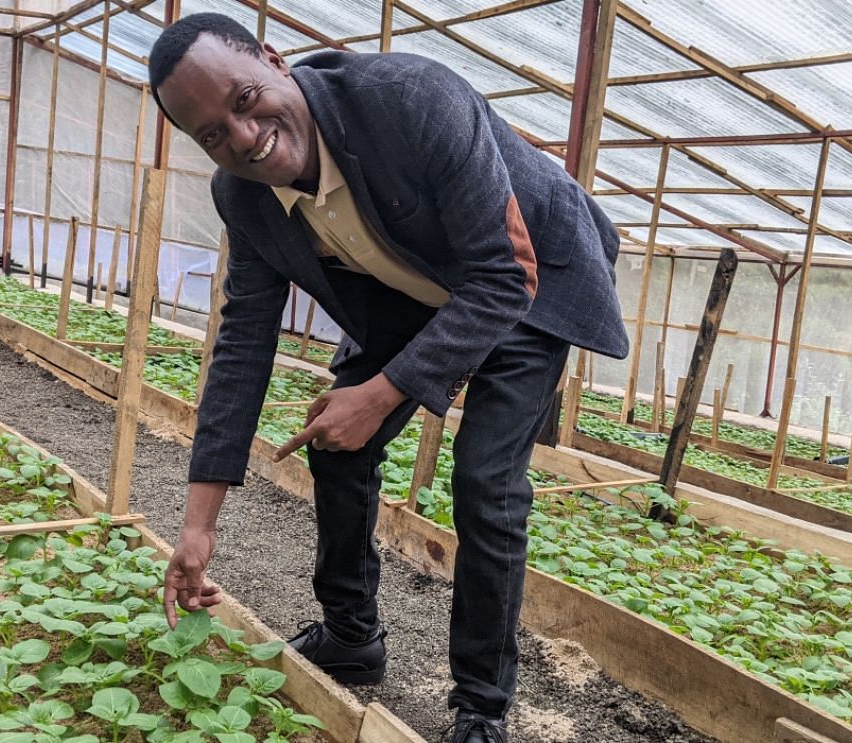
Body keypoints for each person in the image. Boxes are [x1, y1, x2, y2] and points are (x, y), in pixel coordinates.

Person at [150, 13, 627, 743]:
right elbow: (243, 342)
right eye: (212, 134)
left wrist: (379, 395)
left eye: (243, 102)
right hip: (413, 291)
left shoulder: (410, 99)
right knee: (332, 439)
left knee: (486, 481)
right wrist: (195, 526)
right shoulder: (241, 197)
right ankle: (353, 635)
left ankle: (481, 705)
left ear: (275, 63)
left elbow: (503, 276)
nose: (241, 137)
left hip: (529, 281)